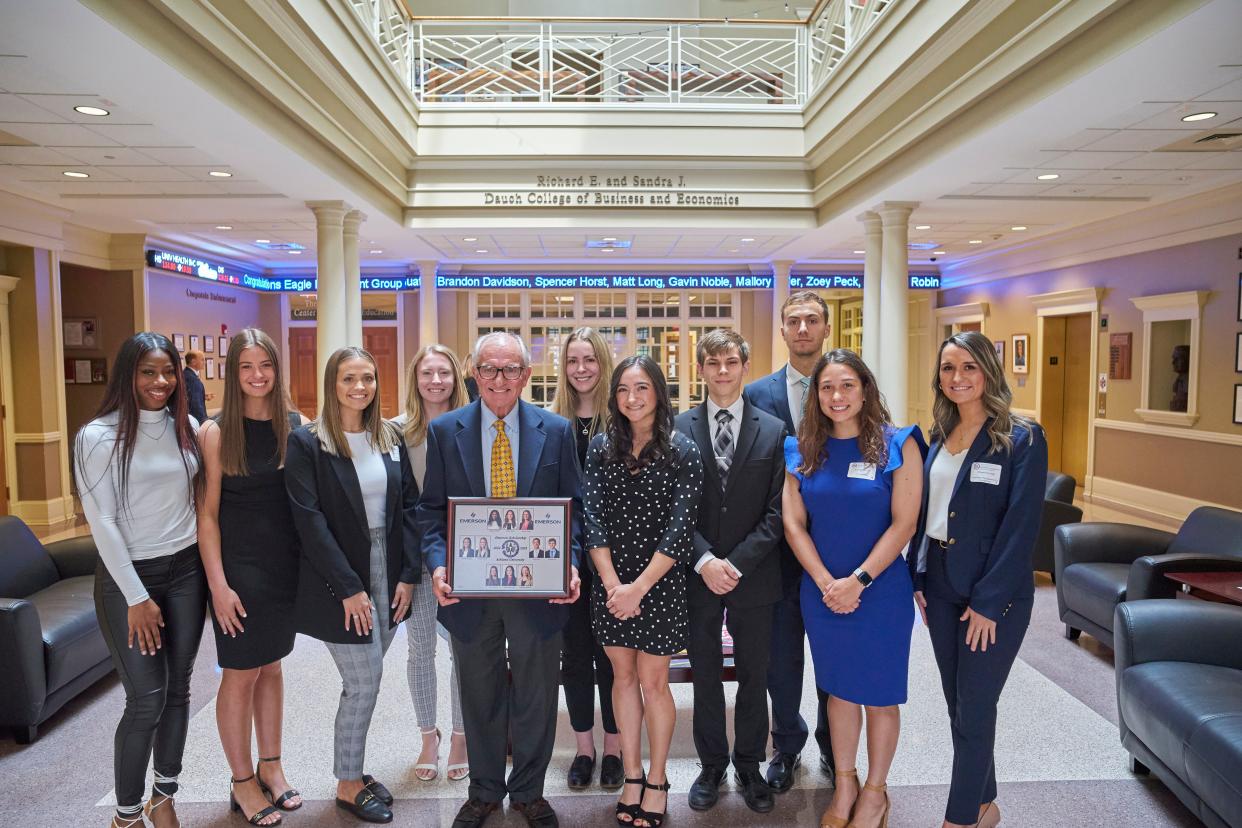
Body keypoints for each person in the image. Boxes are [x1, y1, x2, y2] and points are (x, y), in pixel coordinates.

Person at [419, 331, 583, 828]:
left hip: (537, 592)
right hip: (471, 592)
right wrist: (438, 564)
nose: (499, 379)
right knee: (480, 692)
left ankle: (530, 793)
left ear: (527, 376)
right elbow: (430, 513)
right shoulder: (446, 431)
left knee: (535, 695)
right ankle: (485, 790)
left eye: (511, 369)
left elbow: (574, 512)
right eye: (489, 369)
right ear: (474, 373)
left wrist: (570, 562)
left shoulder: (556, 431)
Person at [909, 331, 1047, 828]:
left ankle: (961, 818)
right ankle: (986, 804)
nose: (957, 378)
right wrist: (917, 575)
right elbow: (926, 512)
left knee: (976, 704)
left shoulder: (1021, 438)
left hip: (996, 595)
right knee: (958, 705)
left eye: (969, 367)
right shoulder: (937, 436)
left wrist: (988, 601)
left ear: (988, 370)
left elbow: (1021, 526)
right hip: (942, 585)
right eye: (948, 368)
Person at [783, 349, 924, 828]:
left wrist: (859, 580)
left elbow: (904, 523)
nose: (837, 396)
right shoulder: (802, 449)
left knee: (881, 696)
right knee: (839, 694)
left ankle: (876, 792)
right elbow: (794, 524)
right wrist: (827, 582)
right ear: (815, 396)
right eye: (827, 388)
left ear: (865, 389)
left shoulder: (898, 444)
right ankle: (845, 782)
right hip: (823, 594)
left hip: (880, 593)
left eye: (847, 385)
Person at [285, 346, 421, 824]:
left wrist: (408, 575)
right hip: (337, 575)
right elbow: (309, 522)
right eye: (348, 379)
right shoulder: (309, 442)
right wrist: (349, 587)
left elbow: (408, 508)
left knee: (366, 676)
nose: (359, 388)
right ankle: (347, 782)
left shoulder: (389, 437)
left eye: (367, 378)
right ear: (332, 384)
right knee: (364, 682)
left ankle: (355, 770)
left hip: (390, 566)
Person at [74, 332, 206, 828]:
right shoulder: (97, 435)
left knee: (179, 691)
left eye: (168, 371)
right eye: (148, 372)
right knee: (145, 698)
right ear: (128, 375)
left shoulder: (186, 426)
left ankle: (163, 797)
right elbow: (101, 522)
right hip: (130, 579)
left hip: (186, 571)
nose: (161, 381)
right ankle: (126, 816)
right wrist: (136, 596)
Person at [584, 355, 704, 828]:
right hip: (611, 583)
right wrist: (615, 585)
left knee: (654, 682)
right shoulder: (599, 447)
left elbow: (680, 528)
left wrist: (639, 588)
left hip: (659, 581)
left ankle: (657, 779)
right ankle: (631, 775)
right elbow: (591, 518)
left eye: (641, 389)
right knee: (621, 678)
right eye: (623, 391)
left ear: (658, 392)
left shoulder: (682, 450)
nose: (632, 399)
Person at [673, 330, 784, 815]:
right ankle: (712, 764)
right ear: (700, 369)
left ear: (745, 366)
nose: (722, 371)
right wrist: (704, 561)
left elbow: (780, 513)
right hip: (696, 574)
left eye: (731, 362)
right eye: (713, 362)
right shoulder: (675, 428)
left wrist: (734, 564)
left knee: (755, 675)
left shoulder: (774, 429)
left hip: (753, 576)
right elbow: (671, 508)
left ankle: (749, 765)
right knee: (705, 676)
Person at [196, 329, 303, 826]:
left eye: (266, 365)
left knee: (274, 666)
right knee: (241, 672)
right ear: (232, 373)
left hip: (282, 569)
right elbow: (207, 517)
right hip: (238, 572)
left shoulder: (295, 425)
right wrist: (217, 585)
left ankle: (272, 766)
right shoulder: (216, 433)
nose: (257, 375)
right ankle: (242, 782)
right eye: (246, 366)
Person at [742, 290, 835, 790]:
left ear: (825, 329)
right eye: (794, 321)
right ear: (782, 330)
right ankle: (787, 745)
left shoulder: (846, 388)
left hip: (835, 551)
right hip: (776, 554)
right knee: (781, 659)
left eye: (812, 320)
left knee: (831, 655)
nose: (803, 329)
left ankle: (832, 744)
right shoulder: (758, 394)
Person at [549, 326, 622, 790]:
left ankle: (614, 747)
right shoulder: (551, 424)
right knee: (575, 657)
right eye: (573, 361)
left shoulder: (623, 421)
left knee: (614, 659)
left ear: (603, 364)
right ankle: (583, 748)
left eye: (590, 360)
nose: (581, 369)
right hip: (566, 561)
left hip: (615, 563)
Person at [183, 348, 208, 424]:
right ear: (193, 362)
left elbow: (189, 396)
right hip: (195, 422)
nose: (205, 362)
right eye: (202, 360)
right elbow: (196, 405)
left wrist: (204, 396)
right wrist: (205, 422)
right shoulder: (192, 379)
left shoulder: (185, 374)